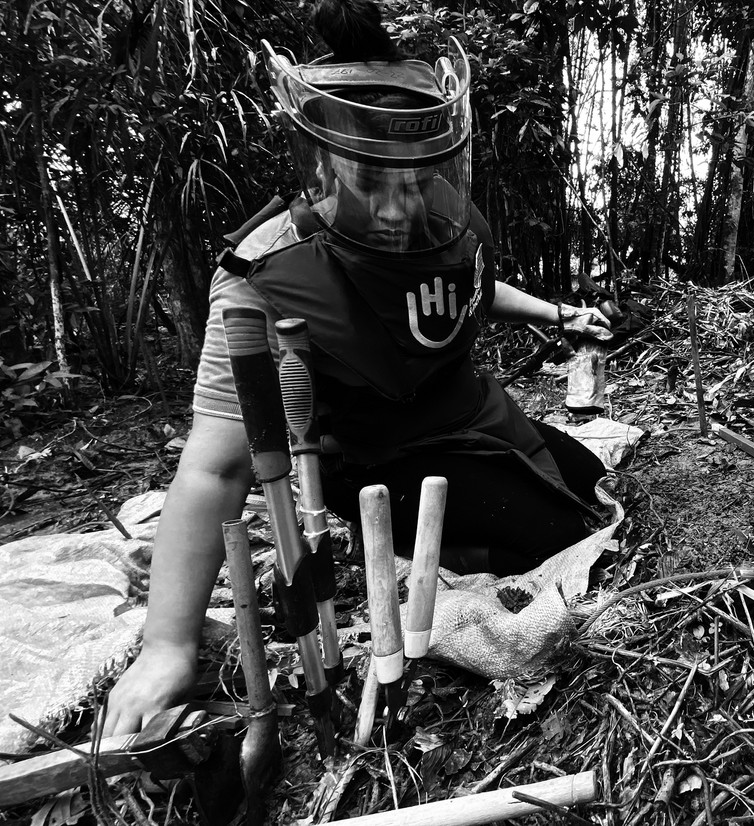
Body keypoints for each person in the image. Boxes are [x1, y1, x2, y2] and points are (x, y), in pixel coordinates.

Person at [102, 0, 613, 738]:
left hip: (469, 413)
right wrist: (166, 646)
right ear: (323, 162)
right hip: (379, 457)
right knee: (558, 537)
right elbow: (215, 467)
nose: (401, 206)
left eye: (416, 180)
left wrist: (557, 315)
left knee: (593, 491)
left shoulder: (440, 214)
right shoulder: (268, 274)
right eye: (374, 183)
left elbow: (459, 291)